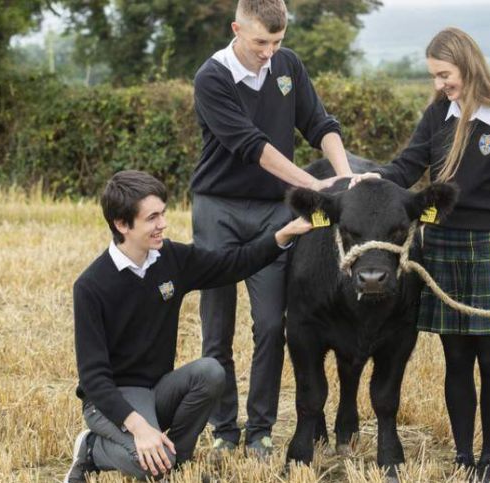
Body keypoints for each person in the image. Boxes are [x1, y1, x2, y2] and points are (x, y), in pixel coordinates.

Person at [350, 27, 490, 482]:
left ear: (467, 64)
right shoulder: (438, 114)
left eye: (444, 74)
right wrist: (369, 179)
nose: (439, 84)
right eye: (435, 76)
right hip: (441, 246)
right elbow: (404, 167)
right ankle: (462, 456)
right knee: (456, 358)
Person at [64, 170, 312, 482]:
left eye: (163, 214)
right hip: (110, 401)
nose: (163, 224)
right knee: (147, 463)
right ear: (122, 224)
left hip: (158, 391)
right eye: (152, 218)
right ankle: (92, 450)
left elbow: (234, 263)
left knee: (210, 372)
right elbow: (94, 378)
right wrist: (138, 426)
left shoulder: (172, 259)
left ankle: (174, 463)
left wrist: (283, 235)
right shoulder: (90, 286)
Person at [191, 0, 353, 458]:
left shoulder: (288, 66)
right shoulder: (212, 78)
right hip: (216, 208)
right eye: (261, 41)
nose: (269, 52)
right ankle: (224, 430)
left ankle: (260, 430)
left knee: (269, 324)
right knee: (217, 327)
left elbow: (319, 123)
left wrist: (343, 174)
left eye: (277, 42)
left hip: (271, 211)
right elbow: (252, 146)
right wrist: (316, 183)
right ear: (236, 29)